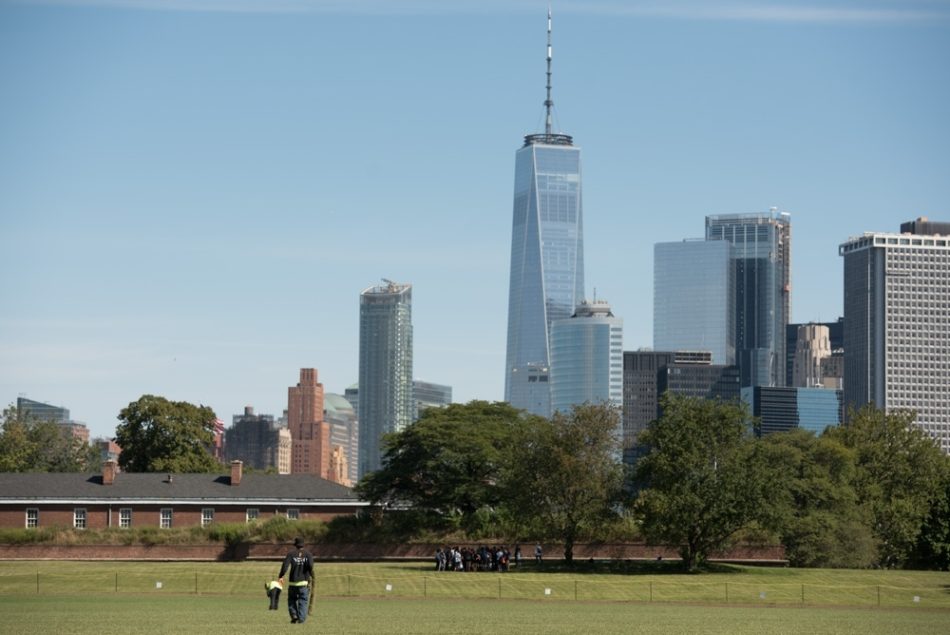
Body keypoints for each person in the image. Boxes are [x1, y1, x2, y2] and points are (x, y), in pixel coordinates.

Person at [278, 537, 315, 624]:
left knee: (291, 600)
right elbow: (311, 566)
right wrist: (310, 575)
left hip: (293, 583)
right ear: (303, 545)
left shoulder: (291, 554)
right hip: (304, 583)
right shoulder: (308, 554)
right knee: (303, 601)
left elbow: (285, 567)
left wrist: (281, 576)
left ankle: (294, 615)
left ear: (295, 545)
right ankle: (301, 619)